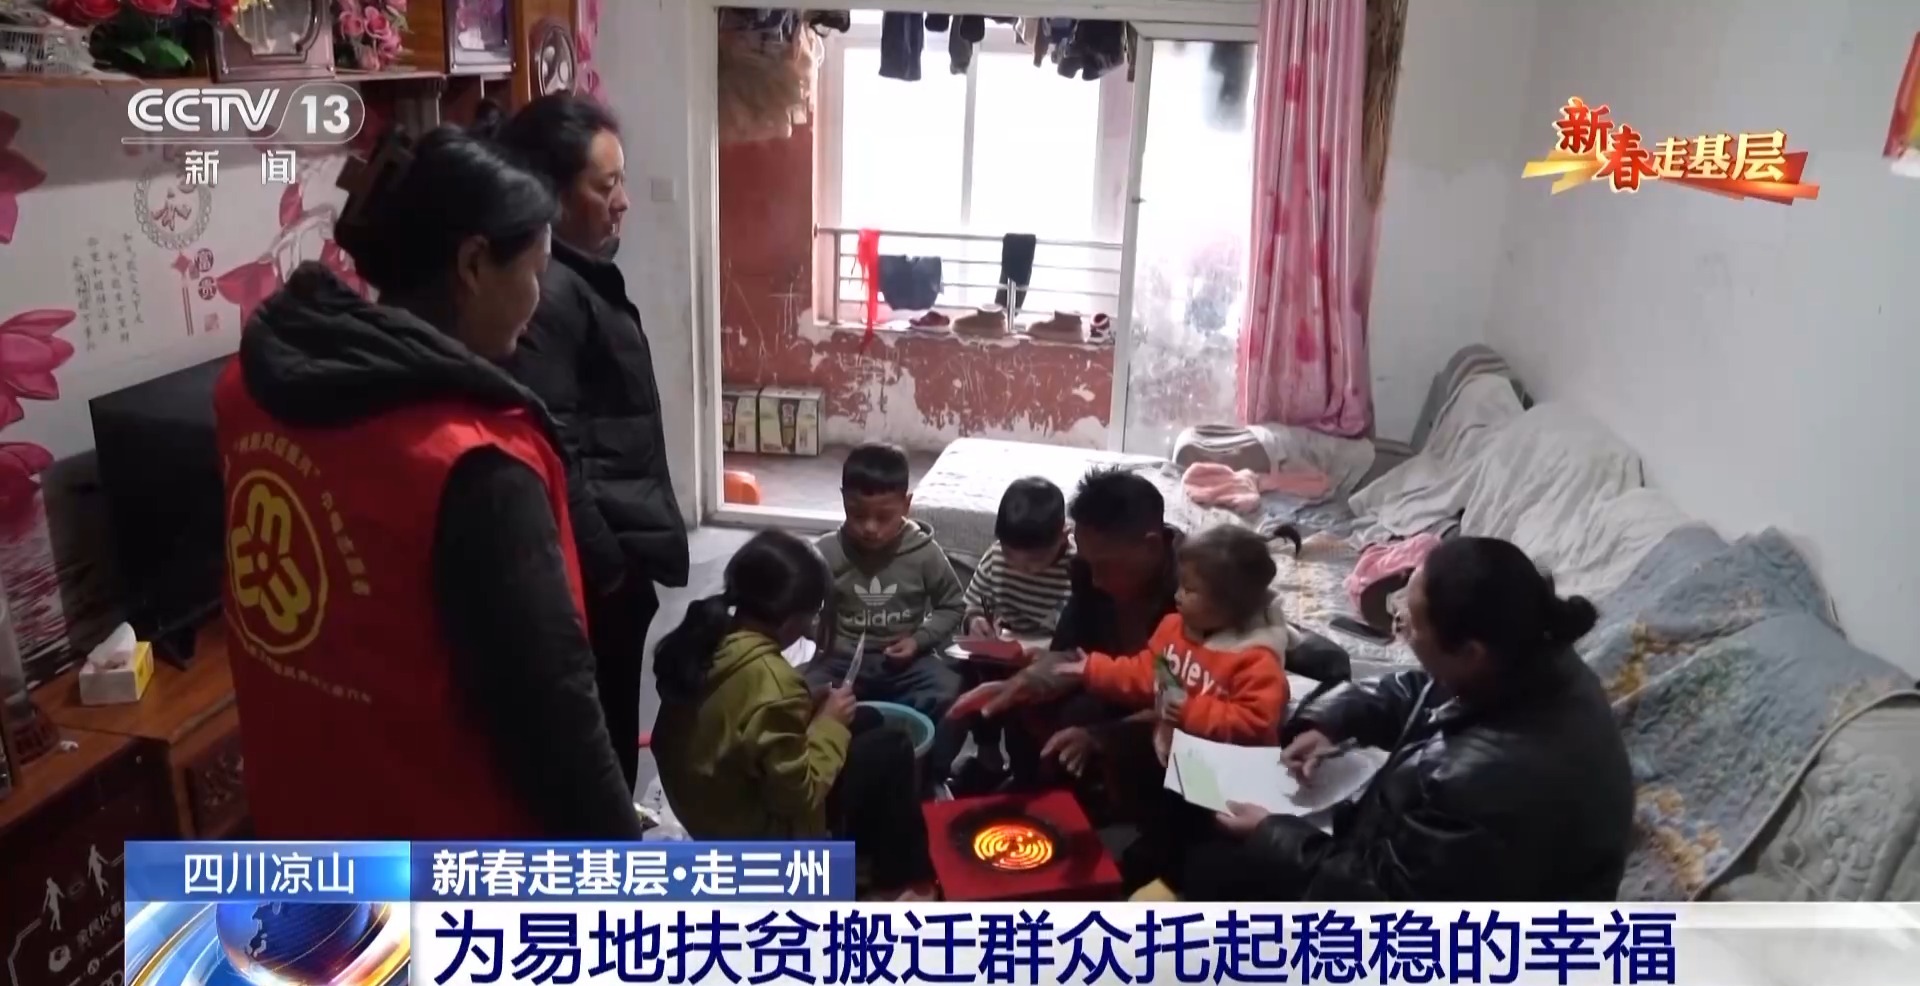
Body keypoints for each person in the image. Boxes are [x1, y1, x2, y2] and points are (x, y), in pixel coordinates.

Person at [215, 126, 642, 839]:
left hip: (303, 823)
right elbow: (555, 721)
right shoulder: (472, 468)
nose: (538, 300)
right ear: (473, 264)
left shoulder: (251, 391)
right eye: (534, 272)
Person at [1171, 536, 1635, 901]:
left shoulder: (1484, 782)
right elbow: (1418, 690)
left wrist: (1270, 832)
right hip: (1426, 859)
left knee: (1208, 867)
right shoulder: (1527, 653)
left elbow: (1381, 901)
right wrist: (1328, 722)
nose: (1400, 630)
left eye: (1409, 624)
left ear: (1469, 652)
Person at [490, 93, 689, 792]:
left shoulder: (578, 276)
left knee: (612, 717)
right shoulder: (547, 293)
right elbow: (553, 444)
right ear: (548, 192)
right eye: (606, 186)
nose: (624, 202)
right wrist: (608, 567)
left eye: (622, 181)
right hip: (600, 562)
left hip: (616, 548)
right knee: (599, 741)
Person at [649, 530, 935, 898]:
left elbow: (742, 720)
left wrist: (810, 709)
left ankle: (861, 857)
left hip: (711, 806)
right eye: (810, 617)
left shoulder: (708, 640)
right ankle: (900, 882)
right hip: (756, 839)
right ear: (789, 622)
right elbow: (799, 795)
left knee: (867, 721)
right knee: (893, 747)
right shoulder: (774, 682)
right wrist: (828, 724)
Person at [802, 443, 965, 721]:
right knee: (798, 693)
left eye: (884, 517)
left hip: (906, 663)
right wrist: (824, 636)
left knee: (950, 691)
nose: (870, 528)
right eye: (857, 514)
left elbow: (952, 605)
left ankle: (918, 749)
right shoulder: (826, 552)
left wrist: (918, 641)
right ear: (843, 500)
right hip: (840, 661)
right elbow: (799, 606)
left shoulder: (925, 553)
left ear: (906, 505)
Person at [945, 476, 1075, 792]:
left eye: (1034, 561)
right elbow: (974, 603)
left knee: (1026, 714)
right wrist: (976, 620)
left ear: (1064, 534)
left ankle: (1024, 771)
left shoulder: (1076, 568)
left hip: (1052, 656)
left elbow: (1080, 634)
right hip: (1004, 648)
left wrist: (1047, 652)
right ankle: (988, 755)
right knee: (974, 676)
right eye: (1011, 555)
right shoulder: (996, 558)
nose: (1022, 568)